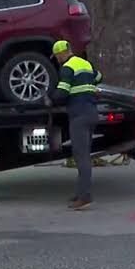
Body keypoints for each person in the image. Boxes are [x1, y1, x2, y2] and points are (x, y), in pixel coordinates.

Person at [46, 39, 102, 210]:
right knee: (83, 155)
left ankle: (85, 197)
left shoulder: (67, 68)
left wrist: (50, 99)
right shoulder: (85, 63)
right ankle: (80, 192)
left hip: (79, 116)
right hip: (92, 113)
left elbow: (62, 92)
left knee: (81, 157)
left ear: (62, 53)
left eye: (57, 56)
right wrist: (88, 86)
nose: (57, 59)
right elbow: (99, 77)